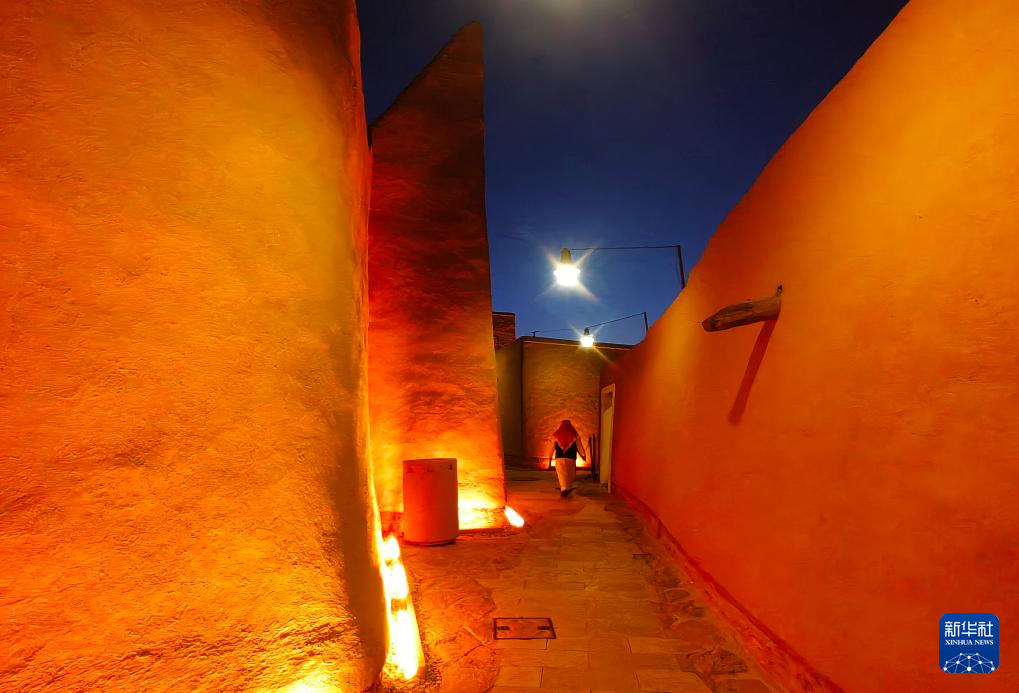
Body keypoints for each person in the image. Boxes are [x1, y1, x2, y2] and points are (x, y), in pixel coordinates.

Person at [547, 419, 587, 497]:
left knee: (562, 474)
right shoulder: (575, 435)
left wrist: (550, 458)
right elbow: (580, 447)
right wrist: (583, 455)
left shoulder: (556, 435)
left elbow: (552, 448)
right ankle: (567, 488)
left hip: (559, 458)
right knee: (570, 474)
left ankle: (564, 489)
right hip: (571, 458)